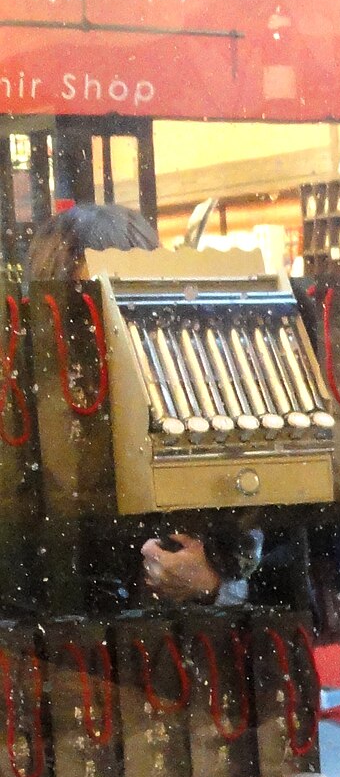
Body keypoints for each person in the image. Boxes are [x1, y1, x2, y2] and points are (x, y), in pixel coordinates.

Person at [27, 204, 261, 608]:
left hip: (177, 640)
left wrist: (215, 585)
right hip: (81, 637)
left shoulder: (196, 383)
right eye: (87, 304)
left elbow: (276, 544)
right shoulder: (37, 393)